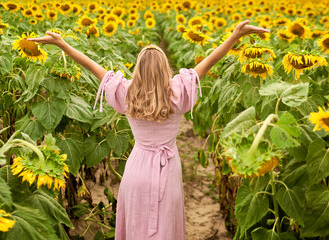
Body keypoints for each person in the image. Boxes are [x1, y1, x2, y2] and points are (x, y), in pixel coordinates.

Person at [28, 20, 269, 240]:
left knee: (137, 226)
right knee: (166, 227)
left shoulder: (126, 92)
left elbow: (92, 66)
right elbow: (209, 61)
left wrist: (63, 45)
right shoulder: (177, 91)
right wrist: (234, 36)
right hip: (168, 169)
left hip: (138, 168)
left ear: (138, 69)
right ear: (166, 68)